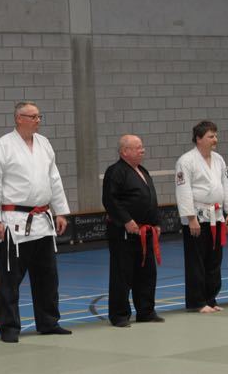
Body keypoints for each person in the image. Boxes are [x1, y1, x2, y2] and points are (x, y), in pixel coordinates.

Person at [0, 101, 72, 343]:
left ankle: (48, 322)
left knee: (47, 277)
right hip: (14, 222)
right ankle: (9, 328)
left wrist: (61, 211)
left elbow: (54, 179)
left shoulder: (44, 144)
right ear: (19, 118)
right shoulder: (2, 146)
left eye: (39, 116)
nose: (38, 120)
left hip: (42, 220)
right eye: (33, 116)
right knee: (10, 279)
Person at [175, 121, 228, 313]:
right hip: (197, 219)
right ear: (199, 139)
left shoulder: (218, 159)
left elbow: (225, 185)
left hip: (217, 216)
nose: (215, 139)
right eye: (211, 136)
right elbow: (183, 190)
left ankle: (210, 299)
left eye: (215, 135)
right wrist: (191, 218)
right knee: (197, 262)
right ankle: (197, 302)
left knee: (214, 261)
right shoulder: (186, 161)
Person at [102, 135, 164, 327]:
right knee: (123, 274)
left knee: (147, 273)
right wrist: (126, 220)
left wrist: (156, 222)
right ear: (124, 151)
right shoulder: (115, 171)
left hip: (146, 231)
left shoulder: (142, 171)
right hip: (124, 233)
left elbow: (151, 199)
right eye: (138, 147)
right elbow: (110, 200)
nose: (142, 150)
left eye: (141, 147)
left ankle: (146, 311)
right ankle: (119, 315)